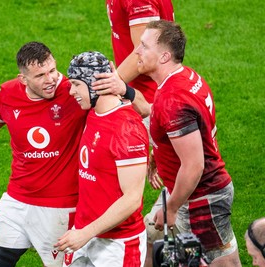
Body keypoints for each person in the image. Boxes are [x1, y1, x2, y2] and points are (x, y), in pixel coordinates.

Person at [0, 42, 145, 267]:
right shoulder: (8, 94)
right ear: (23, 79)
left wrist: (124, 88)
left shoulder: (76, 92)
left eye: (53, 70)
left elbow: (142, 110)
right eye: (41, 75)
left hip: (61, 209)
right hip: (16, 199)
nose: (52, 79)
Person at [134, 20, 242, 266]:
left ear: (164, 56)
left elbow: (194, 166)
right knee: (153, 237)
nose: (137, 51)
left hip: (201, 198)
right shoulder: (184, 76)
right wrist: (156, 157)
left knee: (220, 261)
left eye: (143, 46)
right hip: (185, 190)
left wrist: (172, 207)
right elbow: (171, 135)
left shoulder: (173, 100)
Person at [54, 51, 149, 266]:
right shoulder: (93, 113)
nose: (71, 92)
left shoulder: (126, 129)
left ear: (95, 84)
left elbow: (132, 198)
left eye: (77, 84)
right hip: (85, 233)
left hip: (118, 245)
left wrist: (85, 233)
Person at [106, 0, 174, 104]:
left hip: (148, 98)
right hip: (136, 90)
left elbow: (145, 50)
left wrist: (109, 87)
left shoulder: (138, 2)